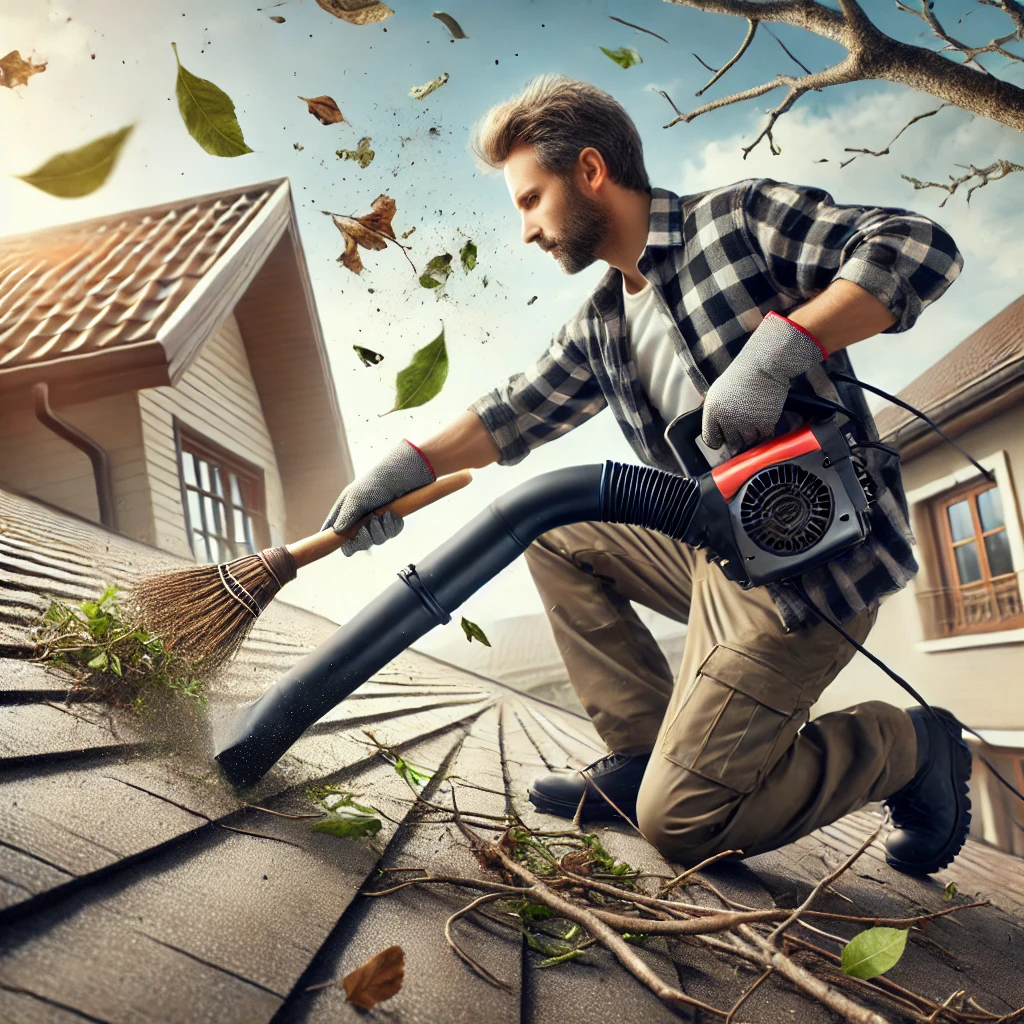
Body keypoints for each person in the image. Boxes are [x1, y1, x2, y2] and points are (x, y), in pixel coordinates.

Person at [322, 75, 972, 876]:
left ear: (590, 171)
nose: (524, 229)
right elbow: (509, 415)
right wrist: (400, 470)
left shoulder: (737, 221)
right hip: (712, 551)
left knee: (685, 826)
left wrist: (781, 349)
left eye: (530, 200)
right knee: (554, 529)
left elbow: (917, 245)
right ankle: (639, 752)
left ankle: (909, 747)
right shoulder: (603, 322)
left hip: (806, 569)